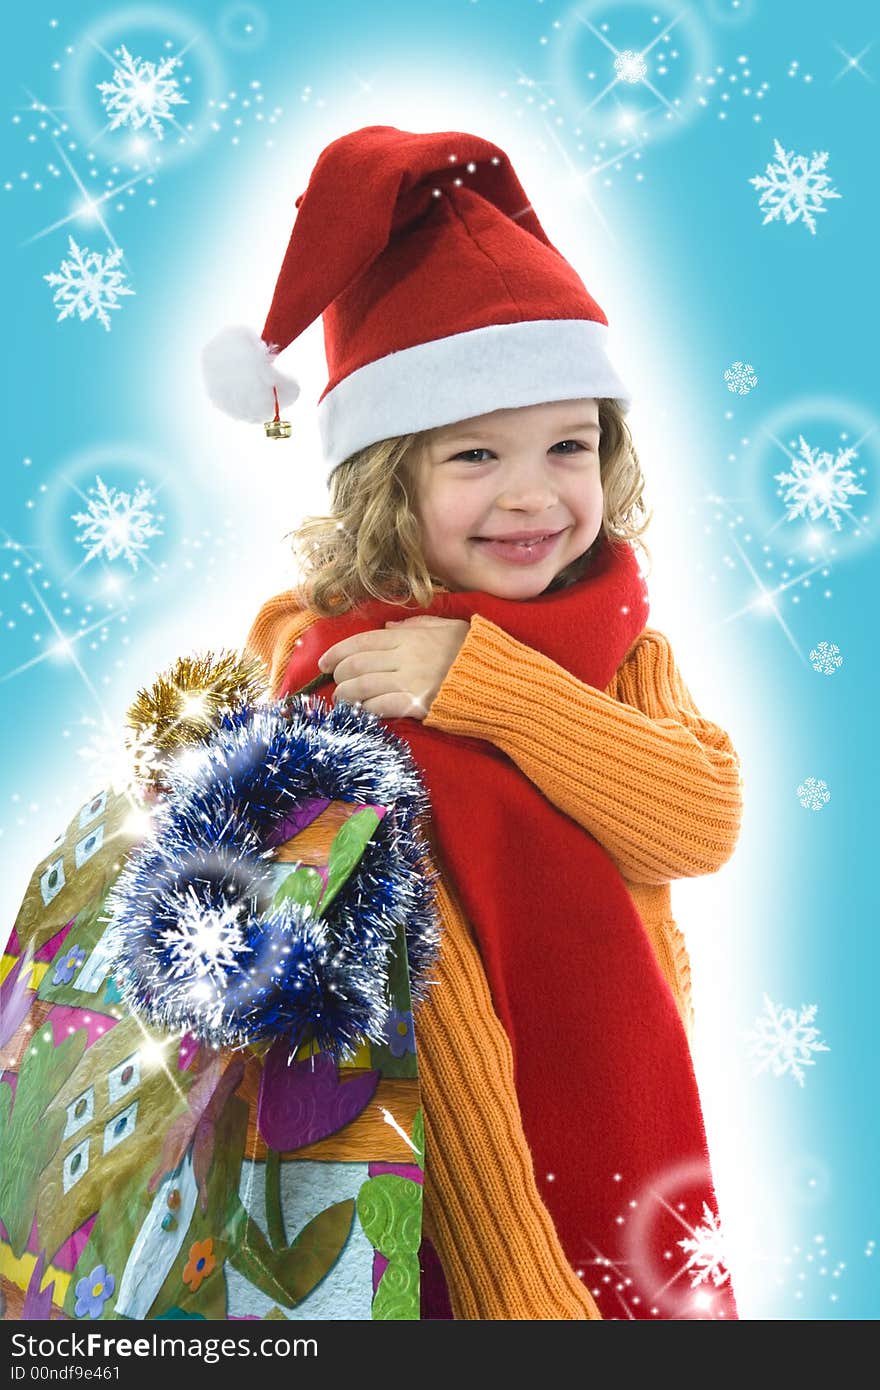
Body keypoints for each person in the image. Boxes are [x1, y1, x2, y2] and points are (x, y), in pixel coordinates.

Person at [203, 125, 744, 1321]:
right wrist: (524, 1297)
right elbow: (427, 1009)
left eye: (569, 444)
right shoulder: (342, 681)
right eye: (473, 454)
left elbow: (693, 823)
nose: (532, 493)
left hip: (628, 1158)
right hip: (453, 1226)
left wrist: (490, 683)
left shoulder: (617, 643)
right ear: (386, 473)